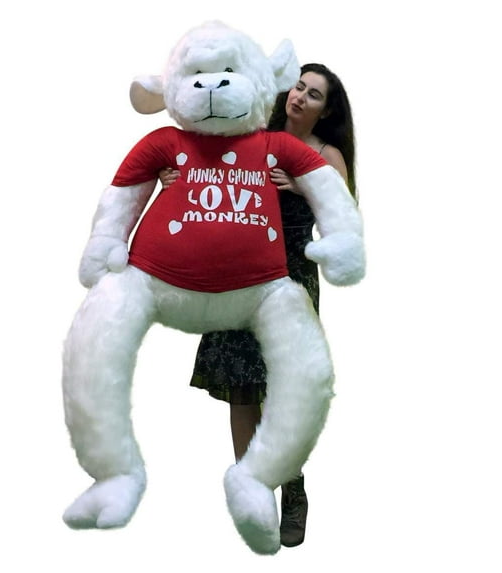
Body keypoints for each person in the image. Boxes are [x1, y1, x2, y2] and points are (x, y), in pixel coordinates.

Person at [161, 63, 356, 547]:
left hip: (290, 280)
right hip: (237, 273)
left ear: (326, 111)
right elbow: (205, 169)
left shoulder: (326, 155)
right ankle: (254, 496)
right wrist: (173, 176)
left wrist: (304, 184)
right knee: (240, 385)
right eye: (299, 87)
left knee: (283, 391)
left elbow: (345, 220)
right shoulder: (252, 132)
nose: (300, 96)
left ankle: (293, 488)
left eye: (313, 95)